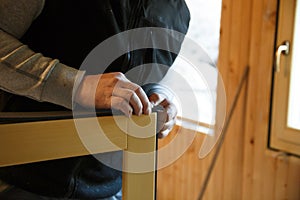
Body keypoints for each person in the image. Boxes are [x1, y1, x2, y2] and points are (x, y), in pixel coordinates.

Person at [0, 0, 190, 199]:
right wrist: (77, 86)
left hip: (108, 187)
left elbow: (153, 74)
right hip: (18, 177)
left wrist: (161, 94)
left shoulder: (178, 12)